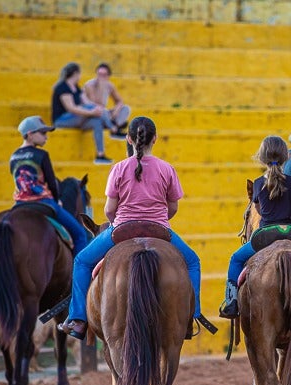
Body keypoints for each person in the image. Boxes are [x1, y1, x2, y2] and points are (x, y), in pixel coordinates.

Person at [59, 116, 217, 340]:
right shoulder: (167, 169)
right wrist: (160, 218)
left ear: (128, 139)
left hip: (122, 229)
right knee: (192, 261)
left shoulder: (118, 168)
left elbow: (109, 209)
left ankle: (78, 320)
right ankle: (192, 316)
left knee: (82, 261)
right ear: (155, 139)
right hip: (159, 229)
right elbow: (173, 207)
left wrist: (118, 221)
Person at [218, 135, 291, 318]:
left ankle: (231, 301)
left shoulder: (258, 183)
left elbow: (258, 210)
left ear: (262, 157)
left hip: (265, 234)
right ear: (286, 157)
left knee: (235, 259)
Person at [10, 115, 88, 254]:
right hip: (44, 203)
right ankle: (78, 274)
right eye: (42, 133)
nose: (46, 137)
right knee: (80, 234)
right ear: (29, 135)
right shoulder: (41, 154)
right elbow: (52, 183)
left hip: (19, 204)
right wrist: (57, 200)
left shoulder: (13, 156)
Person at [51, 62, 124, 165]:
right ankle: (113, 128)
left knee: (96, 121)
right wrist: (91, 112)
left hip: (76, 118)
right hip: (62, 120)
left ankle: (100, 154)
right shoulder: (62, 87)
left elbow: (87, 102)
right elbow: (71, 108)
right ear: (76, 73)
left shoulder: (76, 87)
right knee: (91, 110)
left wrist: (98, 109)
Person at [83, 63, 131, 136]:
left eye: (104, 75)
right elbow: (95, 104)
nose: (101, 77)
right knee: (103, 110)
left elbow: (120, 101)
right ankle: (115, 128)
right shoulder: (90, 85)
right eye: (99, 74)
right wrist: (101, 87)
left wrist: (115, 111)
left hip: (105, 114)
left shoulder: (109, 85)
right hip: (93, 113)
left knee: (126, 109)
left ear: (108, 76)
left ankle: (115, 125)